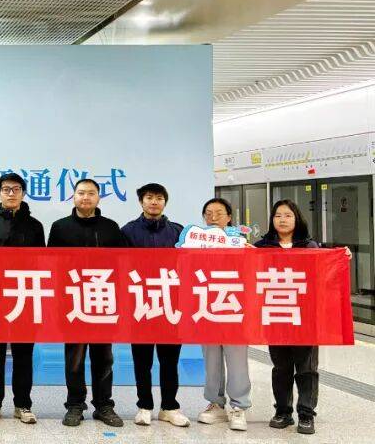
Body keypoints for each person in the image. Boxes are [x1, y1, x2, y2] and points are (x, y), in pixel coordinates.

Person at [47, 178, 126, 428]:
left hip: (103, 301)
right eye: (81, 193)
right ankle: (75, 405)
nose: (86, 197)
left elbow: (121, 265)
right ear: (73, 196)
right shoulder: (60, 227)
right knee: (75, 357)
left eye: (91, 193)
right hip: (72, 302)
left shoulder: (111, 227)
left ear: (98, 197)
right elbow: (52, 265)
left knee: (104, 357)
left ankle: (103, 405)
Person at [0, 172, 44, 425]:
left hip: (25, 296)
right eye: (6, 189)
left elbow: (41, 262)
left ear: (23, 193)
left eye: (16, 189)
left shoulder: (35, 226)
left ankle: (23, 404)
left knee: (24, 354)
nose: (11, 193)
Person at [120, 183, 188, 428]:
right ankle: (144, 406)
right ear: (141, 202)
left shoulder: (179, 232)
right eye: (149, 197)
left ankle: (169, 407)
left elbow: (188, 266)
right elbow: (120, 267)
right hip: (140, 304)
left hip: (171, 305)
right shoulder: (127, 231)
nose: (154, 202)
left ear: (165, 202)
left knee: (170, 361)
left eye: (159, 198)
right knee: (142, 360)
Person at [256, 199, 322, 435]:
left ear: (297, 219)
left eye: (287, 215)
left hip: (305, 316)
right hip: (276, 314)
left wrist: (341, 256)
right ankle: (283, 411)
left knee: (307, 368)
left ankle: (306, 414)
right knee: (281, 368)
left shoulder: (310, 246)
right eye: (278, 215)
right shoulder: (261, 246)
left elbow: (323, 275)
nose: (282, 220)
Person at [196, 198, 250, 431]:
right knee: (212, 360)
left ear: (229, 217)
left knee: (237, 360)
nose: (213, 217)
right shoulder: (195, 242)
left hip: (235, 308)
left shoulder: (240, 243)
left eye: (219, 213)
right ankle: (215, 404)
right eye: (208, 213)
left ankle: (239, 406)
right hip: (207, 307)